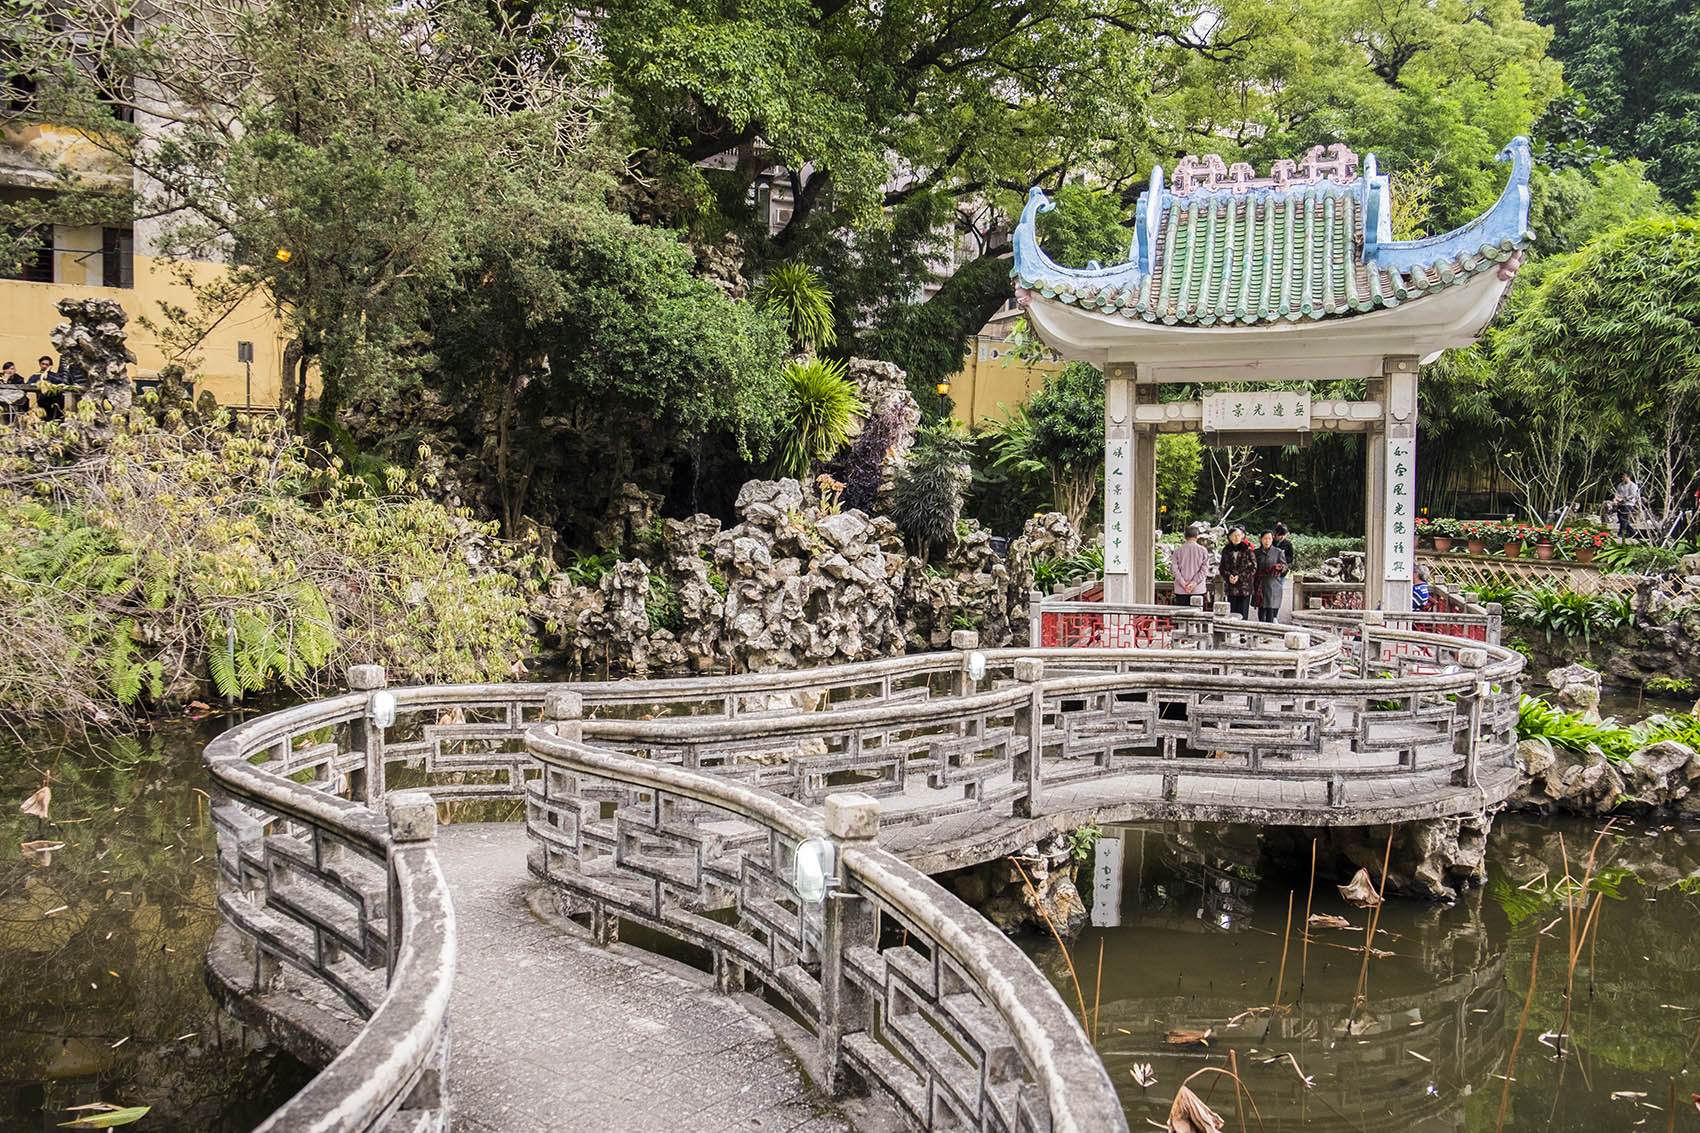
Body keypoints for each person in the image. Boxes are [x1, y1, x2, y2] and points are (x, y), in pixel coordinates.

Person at [1220, 527, 1257, 619]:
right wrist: (1228, 576)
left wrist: (1239, 576)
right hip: (1231, 586)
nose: (1237, 538)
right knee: (1232, 613)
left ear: (1242, 536)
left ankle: (1242, 633)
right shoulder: (1226, 550)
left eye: (1239, 535)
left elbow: (1253, 567)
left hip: (1244, 586)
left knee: (1243, 613)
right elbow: (1222, 567)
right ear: (1230, 537)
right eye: (1234, 536)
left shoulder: (1248, 550)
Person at [1168, 524, 1210, 604]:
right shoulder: (1203, 550)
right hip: (1198, 589)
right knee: (1197, 614)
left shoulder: (1178, 551)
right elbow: (1204, 569)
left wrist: (1183, 583)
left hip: (1181, 589)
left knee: (1181, 614)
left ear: (1185, 536)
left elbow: (1174, 569)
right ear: (1197, 536)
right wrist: (1194, 583)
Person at [1253, 530, 1288, 623]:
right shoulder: (1256, 552)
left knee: (1270, 609)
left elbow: (1285, 567)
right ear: (1261, 540)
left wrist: (1281, 568)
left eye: (1269, 538)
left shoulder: (1278, 552)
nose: (1267, 541)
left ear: (1272, 539)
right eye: (1265, 538)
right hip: (1260, 583)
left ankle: (1269, 632)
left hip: (1273, 584)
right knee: (1261, 608)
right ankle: (1261, 630)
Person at [30, 356, 63, 421]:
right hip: (42, 402)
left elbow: (61, 384)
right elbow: (28, 384)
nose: (44, 366)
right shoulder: (35, 376)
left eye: (47, 365)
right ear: (40, 364)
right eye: (43, 364)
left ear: (50, 366)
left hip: (54, 403)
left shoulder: (55, 376)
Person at [1612, 472, 1640, 539]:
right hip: (1620, 503)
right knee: (1620, 518)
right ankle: (1632, 532)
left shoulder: (1633, 485)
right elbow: (1617, 493)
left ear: (1628, 477)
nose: (1622, 479)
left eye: (1624, 477)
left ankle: (1621, 534)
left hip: (1628, 503)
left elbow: (1633, 495)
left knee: (1624, 519)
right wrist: (1616, 499)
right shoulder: (1620, 485)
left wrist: (1624, 499)